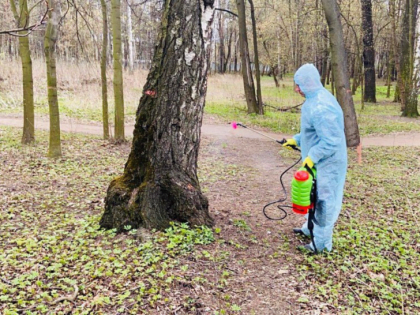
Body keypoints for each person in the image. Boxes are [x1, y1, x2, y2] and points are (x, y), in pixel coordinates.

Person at [282, 63, 348, 253]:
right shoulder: (314, 100)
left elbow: (330, 140)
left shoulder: (321, 106)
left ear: (309, 83)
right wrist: (296, 140)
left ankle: (321, 245)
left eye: (299, 85)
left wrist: (312, 157)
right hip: (319, 161)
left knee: (324, 201)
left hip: (329, 163)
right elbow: (313, 132)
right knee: (313, 195)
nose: (296, 89)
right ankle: (309, 229)